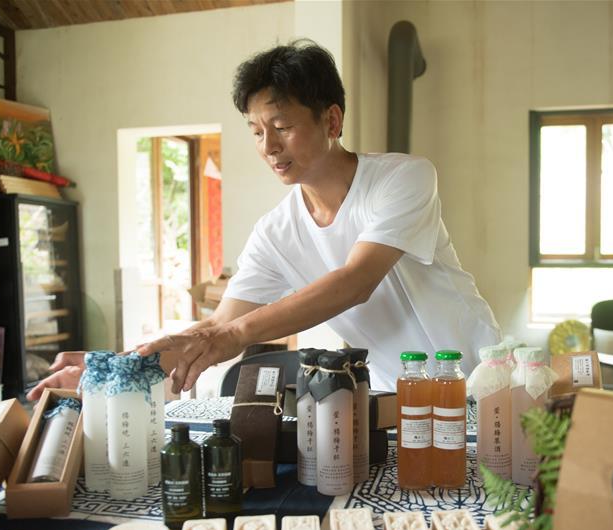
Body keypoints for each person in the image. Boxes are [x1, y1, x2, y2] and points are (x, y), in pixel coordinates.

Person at [28, 40, 500, 400]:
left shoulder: (403, 178)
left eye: (282, 127)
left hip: (482, 382)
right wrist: (114, 368)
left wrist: (234, 334)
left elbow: (356, 282)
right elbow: (220, 327)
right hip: (395, 396)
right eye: (256, 132)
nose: (269, 147)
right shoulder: (276, 232)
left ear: (332, 121)